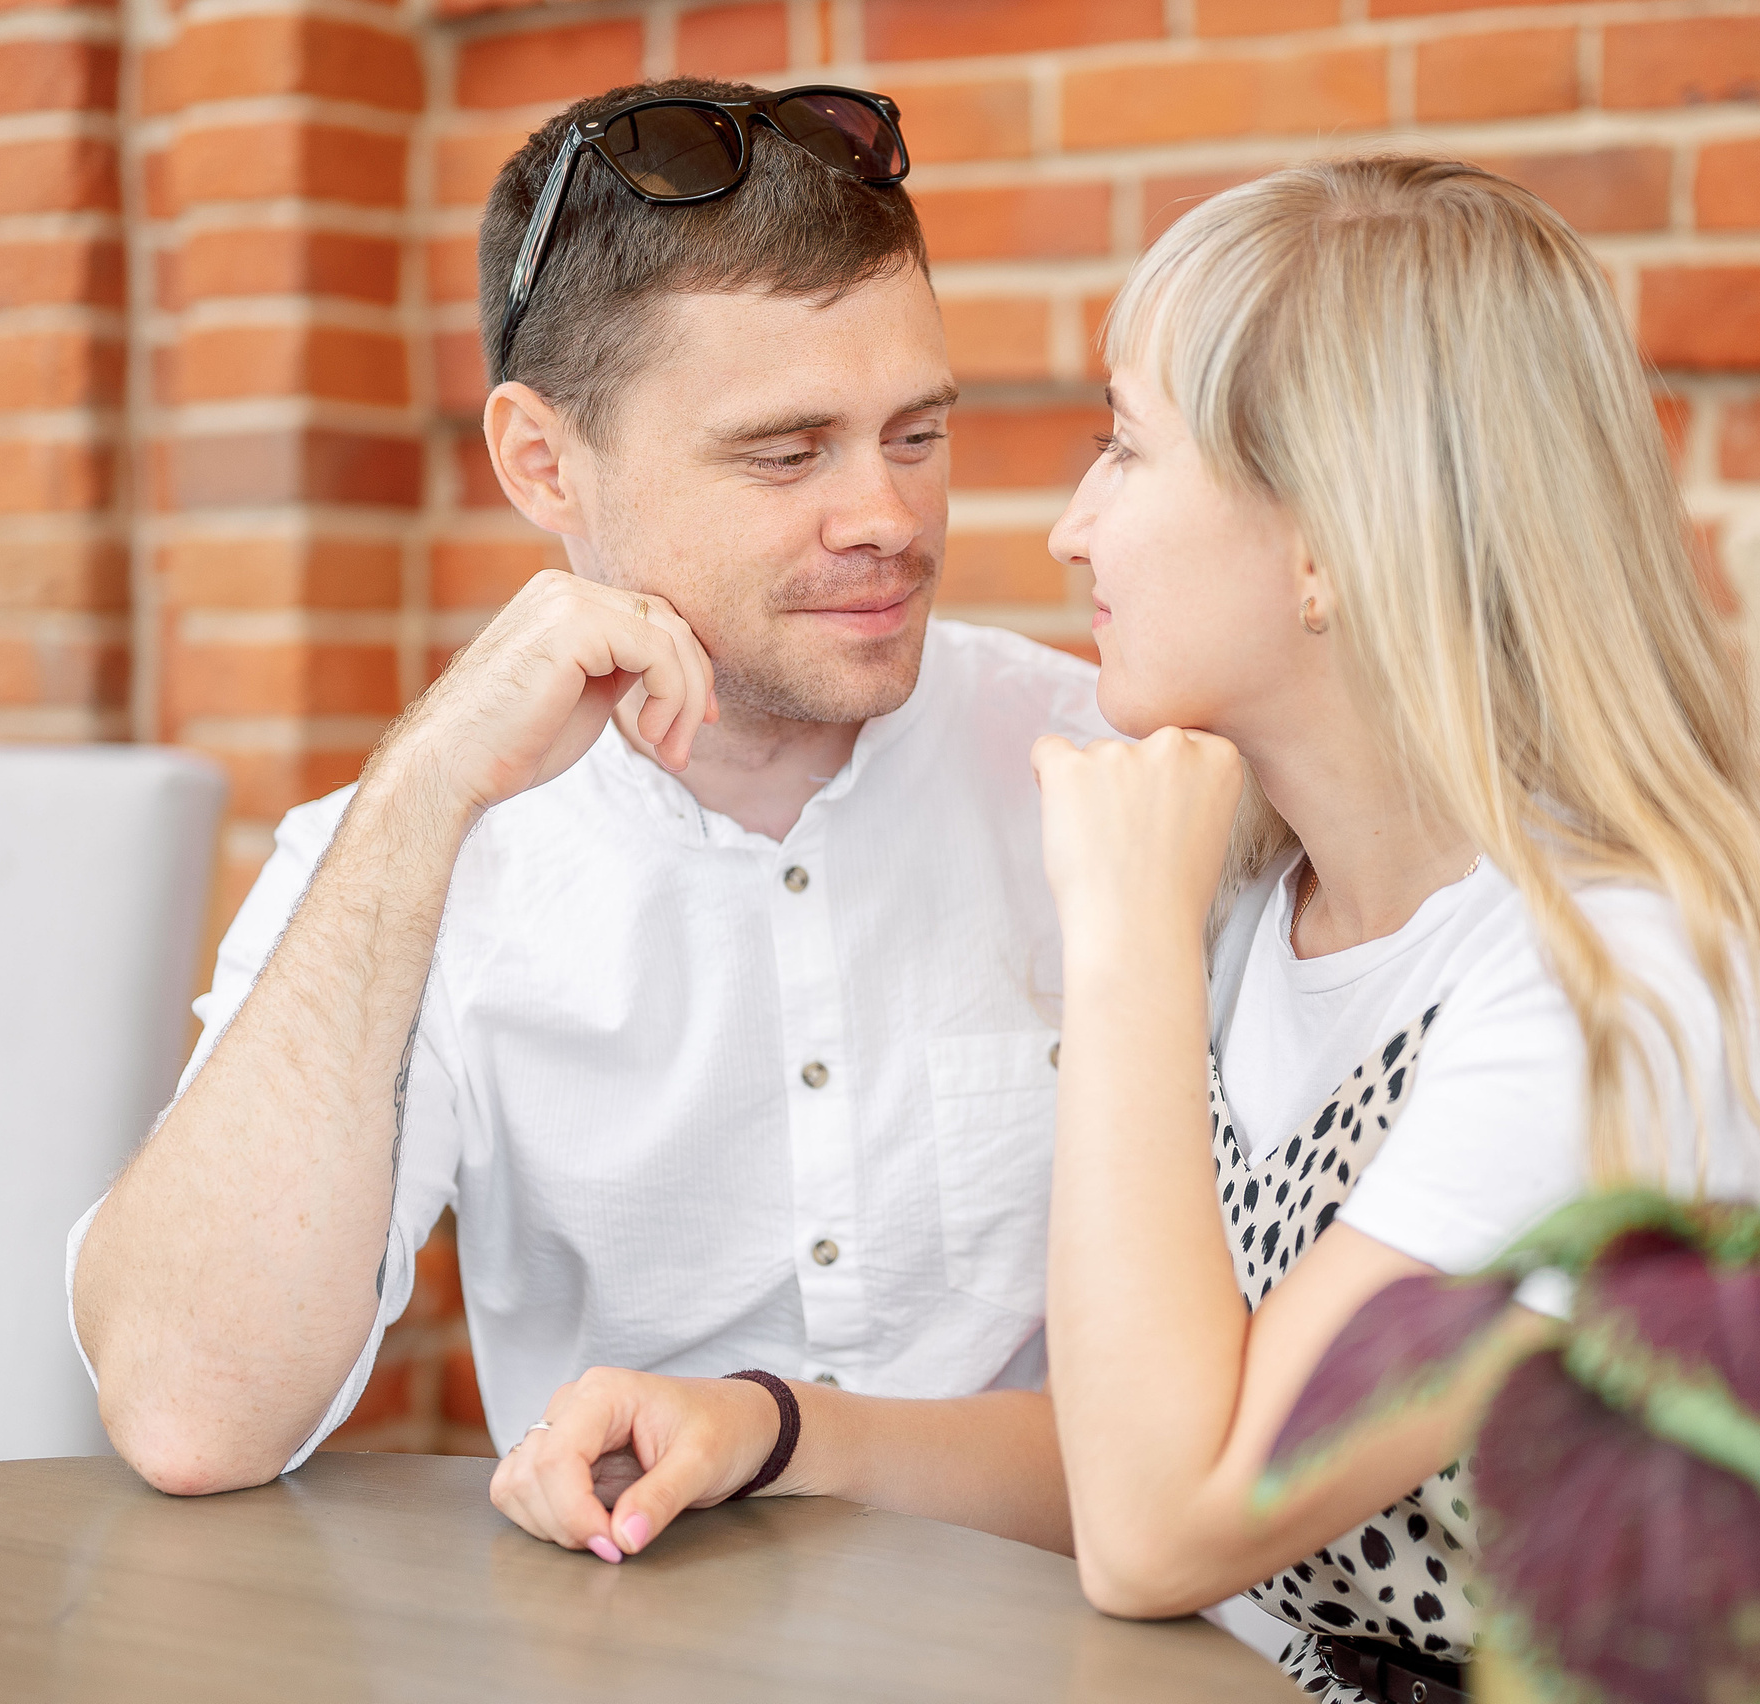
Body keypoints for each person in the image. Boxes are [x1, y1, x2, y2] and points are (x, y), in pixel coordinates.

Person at [503, 157, 1760, 1702]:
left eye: (1126, 449)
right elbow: (1146, 1429)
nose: (1068, 529)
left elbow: (1162, 1529)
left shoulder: (1615, 985)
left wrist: (1120, 939)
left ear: (1327, 538)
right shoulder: (1273, 896)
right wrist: (776, 1428)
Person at [65, 75, 1106, 1538]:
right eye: (787, 451)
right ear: (543, 463)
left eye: (917, 435)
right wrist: (422, 794)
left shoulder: (1103, 768)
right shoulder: (408, 859)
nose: (886, 516)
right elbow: (189, 1410)